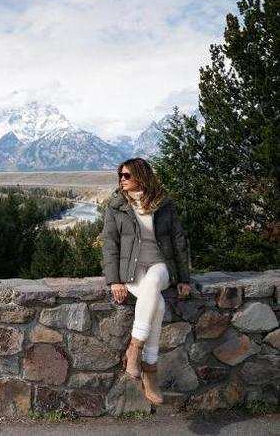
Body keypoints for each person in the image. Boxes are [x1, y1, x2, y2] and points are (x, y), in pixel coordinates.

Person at [99, 157, 192, 405]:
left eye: (127, 175)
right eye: (120, 175)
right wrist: (114, 281)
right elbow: (110, 245)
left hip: (161, 266)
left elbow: (178, 240)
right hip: (131, 271)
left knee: (153, 284)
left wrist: (184, 278)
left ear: (141, 175)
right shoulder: (116, 206)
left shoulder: (164, 204)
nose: (122, 179)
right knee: (158, 305)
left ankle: (134, 349)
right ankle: (150, 370)